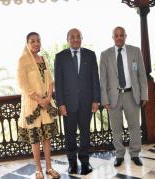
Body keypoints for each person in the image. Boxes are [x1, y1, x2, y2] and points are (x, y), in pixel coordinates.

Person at [100, 26, 148, 167]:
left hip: (131, 95)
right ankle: (119, 155)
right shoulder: (105, 54)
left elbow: (142, 75)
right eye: (117, 35)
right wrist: (104, 99)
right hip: (113, 97)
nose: (119, 37)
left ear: (125, 36)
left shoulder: (135, 51)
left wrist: (144, 95)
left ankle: (135, 154)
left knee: (134, 127)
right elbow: (102, 79)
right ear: (113, 37)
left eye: (122, 35)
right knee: (116, 129)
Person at [54, 28, 100, 175]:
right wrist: (60, 103)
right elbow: (58, 83)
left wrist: (96, 100)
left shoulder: (90, 55)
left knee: (85, 134)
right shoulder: (60, 57)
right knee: (70, 135)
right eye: (72, 37)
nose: (75, 39)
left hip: (87, 103)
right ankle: (72, 163)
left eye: (78, 37)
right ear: (67, 39)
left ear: (81, 38)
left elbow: (95, 79)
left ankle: (85, 162)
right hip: (68, 104)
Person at [17, 32, 61, 179]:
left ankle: (49, 168)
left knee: (47, 138)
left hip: (46, 105)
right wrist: (38, 99)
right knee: (35, 140)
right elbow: (23, 84)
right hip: (32, 105)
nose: (36, 43)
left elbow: (50, 80)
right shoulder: (23, 60)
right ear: (27, 43)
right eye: (32, 41)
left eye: (38, 41)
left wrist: (48, 97)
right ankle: (38, 170)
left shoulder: (43, 59)